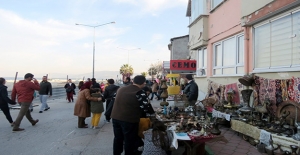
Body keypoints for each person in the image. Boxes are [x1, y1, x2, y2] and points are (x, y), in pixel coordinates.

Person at [111, 75, 154, 155]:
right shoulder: (140, 92)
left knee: (118, 138)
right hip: (129, 119)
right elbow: (145, 108)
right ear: (144, 83)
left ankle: (116, 153)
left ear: (133, 81)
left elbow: (113, 99)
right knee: (129, 139)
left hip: (115, 117)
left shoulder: (120, 89)